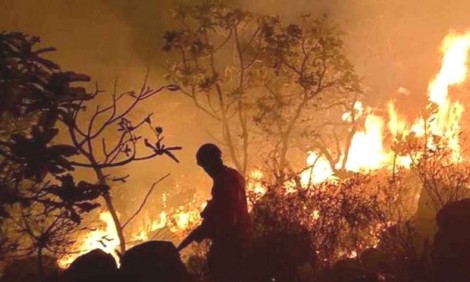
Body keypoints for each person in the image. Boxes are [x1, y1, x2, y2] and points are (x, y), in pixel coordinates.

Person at [177, 143, 251, 282]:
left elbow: (229, 217)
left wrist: (214, 231)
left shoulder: (223, 182)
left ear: (211, 162)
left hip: (230, 243)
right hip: (242, 237)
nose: (206, 170)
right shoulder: (234, 175)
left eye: (205, 166)